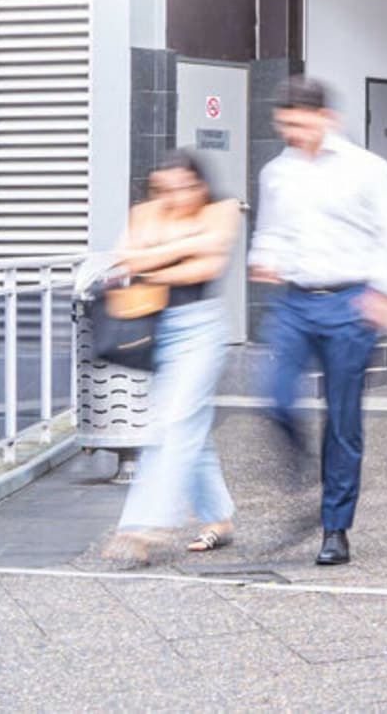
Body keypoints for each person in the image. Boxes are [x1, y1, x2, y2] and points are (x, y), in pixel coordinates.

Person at [250, 76, 387, 567]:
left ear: (328, 119)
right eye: (284, 125)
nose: (292, 134)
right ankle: (306, 471)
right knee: (275, 394)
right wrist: (264, 256)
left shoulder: (370, 171)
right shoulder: (277, 173)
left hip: (352, 302)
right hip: (295, 300)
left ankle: (335, 527)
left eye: (300, 124)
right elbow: (271, 230)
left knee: (343, 420)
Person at [102, 151, 242, 564]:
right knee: (189, 425)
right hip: (158, 327)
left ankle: (142, 527)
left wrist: (156, 256)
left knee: (175, 420)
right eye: (164, 188)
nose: (174, 196)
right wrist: (185, 246)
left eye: (183, 186)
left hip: (201, 328)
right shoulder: (145, 212)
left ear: (200, 184)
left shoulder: (223, 209)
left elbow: (206, 266)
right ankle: (219, 519)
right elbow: (126, 258)